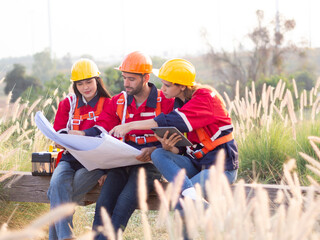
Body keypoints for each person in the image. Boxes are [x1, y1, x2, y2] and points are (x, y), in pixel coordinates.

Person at [71, 51, 175, 239]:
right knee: (103, 206)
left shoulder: (165, 102)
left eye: (131, 79)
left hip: (149, 165)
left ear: (146, 78)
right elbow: (102, 127)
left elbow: (177, 141)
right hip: (122, 162)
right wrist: (81, 134)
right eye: (124, 78)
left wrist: (155, 150)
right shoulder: (118, 101)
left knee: (123, 205)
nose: (126, 83)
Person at [110, 58, 239, 203]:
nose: (162, 89)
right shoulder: (179, 102)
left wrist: (130, 126)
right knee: (158, 153)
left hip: (220, 168)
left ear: (182, 86)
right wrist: (170, 148)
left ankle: (187, 195)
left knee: (181, 201)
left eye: (167, 85)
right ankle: (188, 192)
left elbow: (174, 120)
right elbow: (182, 148)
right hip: (196, 164)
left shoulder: (206, 97)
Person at [47, 58, 112, 240]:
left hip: (95, 163)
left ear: (97, 80)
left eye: (89, 82)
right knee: (56, 183)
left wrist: (80, 135)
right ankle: (67, 236)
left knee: (56, 194)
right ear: (75, 85)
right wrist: (62, 139)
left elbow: (105, 130)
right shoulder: (68, 103)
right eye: (80, 83)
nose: (86, 87)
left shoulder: (109, 103)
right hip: (70, 158)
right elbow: (59, 132)